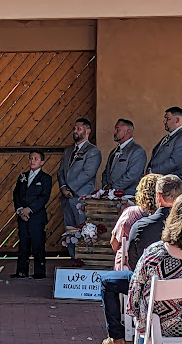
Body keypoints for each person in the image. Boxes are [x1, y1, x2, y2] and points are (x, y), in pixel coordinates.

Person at [101, 174, 182, 344]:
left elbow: (134, 263)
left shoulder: (142, 227)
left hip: (149, 290)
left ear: (158, 197)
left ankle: (117, 336)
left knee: (108, 281)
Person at [127, 193, 182, 344]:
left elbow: (134, 292)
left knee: (147, 322)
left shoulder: (154, 253)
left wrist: (138, 316)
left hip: (159, 326)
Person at [57, 118, 102, 259]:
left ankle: (85, 260)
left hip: (81, 198)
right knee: (69, 231)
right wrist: (63, 187)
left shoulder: (93, 151)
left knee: (83, 229)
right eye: (74, 129)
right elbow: (60, 171)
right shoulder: (68, 151)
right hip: (66, 197)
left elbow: (88, 173)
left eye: (79, 129)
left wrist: (70, 188)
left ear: (87, 131)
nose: (75, 131)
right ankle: (74, 259)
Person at [10, 150, 52, 279]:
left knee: (37, 243)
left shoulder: (46, 178)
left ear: (42, 162)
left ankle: (39, 271)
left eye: (36, 158)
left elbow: (44, 197)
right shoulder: (23, 176)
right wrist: (20, 209)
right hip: (23, 215)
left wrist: (30, 209)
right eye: (31, 158)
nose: (32, 161)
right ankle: (21, 270)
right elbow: (16, 194)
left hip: (36, 215)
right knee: (23, 243)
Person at [109, 173, 161, 271]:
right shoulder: (166, 216)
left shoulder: (129, 213)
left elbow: (114, 243)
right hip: (156, 268)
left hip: (127, 268)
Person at [101, 119, 147, 195]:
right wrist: (105, 186)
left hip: (127, 195)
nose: (114, 132)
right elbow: (106, 172)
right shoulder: (114, 151)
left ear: (127, 131)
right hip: (110, 195)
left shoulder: (137, 151)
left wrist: (113, 187)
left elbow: (132, 175)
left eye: (117, 129)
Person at [147, 106, 182, 179]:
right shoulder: (168, 137)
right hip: (159, 179)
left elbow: (175, 162)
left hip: (172, 182)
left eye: (167, 118)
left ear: (177, 120)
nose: (164, 122)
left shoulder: (181, 137)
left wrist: (152, 171)